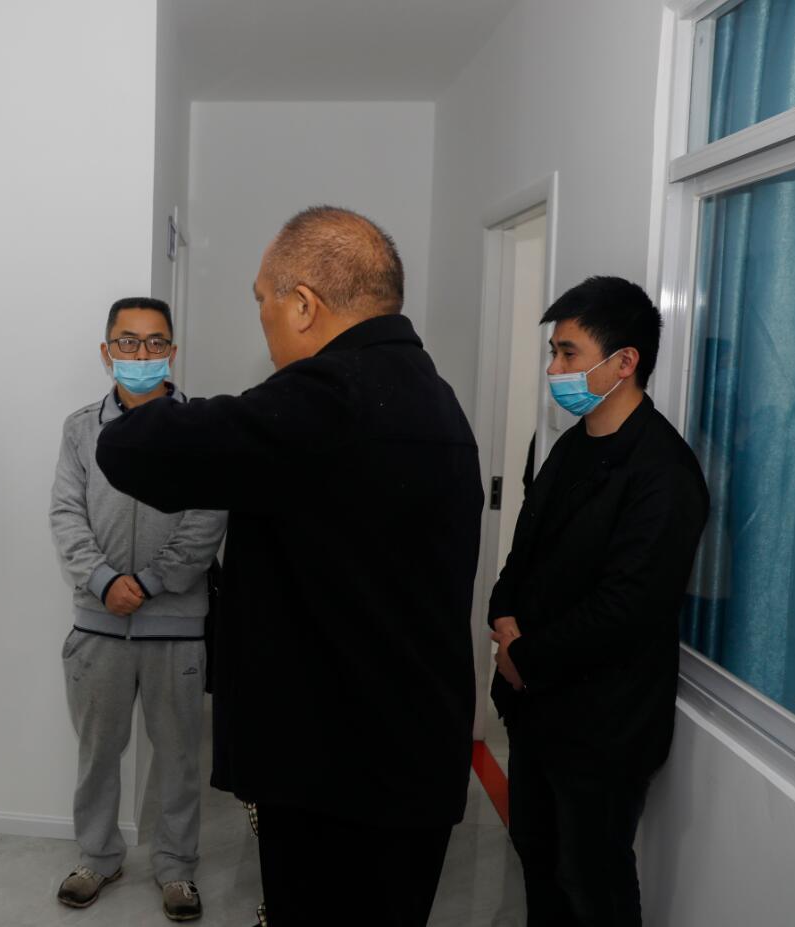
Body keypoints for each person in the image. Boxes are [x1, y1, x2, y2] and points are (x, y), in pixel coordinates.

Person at [95, 207, 482, 927]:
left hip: (335, 770)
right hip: (411, 750)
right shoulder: (433, 394)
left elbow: (133, 450)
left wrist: (141, 388)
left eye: (262, 300)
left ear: (302, 304)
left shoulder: (327, 396)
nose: (264, 320)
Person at [488, 276, 708, 926]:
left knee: (592, 883)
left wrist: (525, 653)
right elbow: (525, 547)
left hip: (604, 728)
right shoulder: (569, 445)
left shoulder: (664, 471)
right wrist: (503, 612)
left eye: (568, 353)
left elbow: (627, 606)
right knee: (537, 859)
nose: (553, 370)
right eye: (553, 353)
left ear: (624, 361)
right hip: (537, 710)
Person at [50, 296, 227, 922]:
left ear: (172, 351)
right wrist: (104, 582)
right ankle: (97, 857)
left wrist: (149, 583)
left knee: (178, 758)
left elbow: (208, 518)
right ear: (107, 352)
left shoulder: (201, 429)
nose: (141, 354)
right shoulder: (80, 429)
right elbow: (66, 513)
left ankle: (177, 868)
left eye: (155, 343)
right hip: (97, 624)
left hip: (176, 626)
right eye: (128, 342)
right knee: (97, 752)